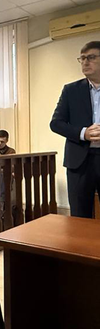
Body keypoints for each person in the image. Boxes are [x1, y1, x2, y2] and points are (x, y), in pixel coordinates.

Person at [50, 41, 100, 218]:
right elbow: (56, 123)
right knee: (79, 216)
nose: (85, 62)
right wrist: (83, 133)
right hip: (79, 162)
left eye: (91, 57)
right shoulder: (71, 90)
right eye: (82, 58)